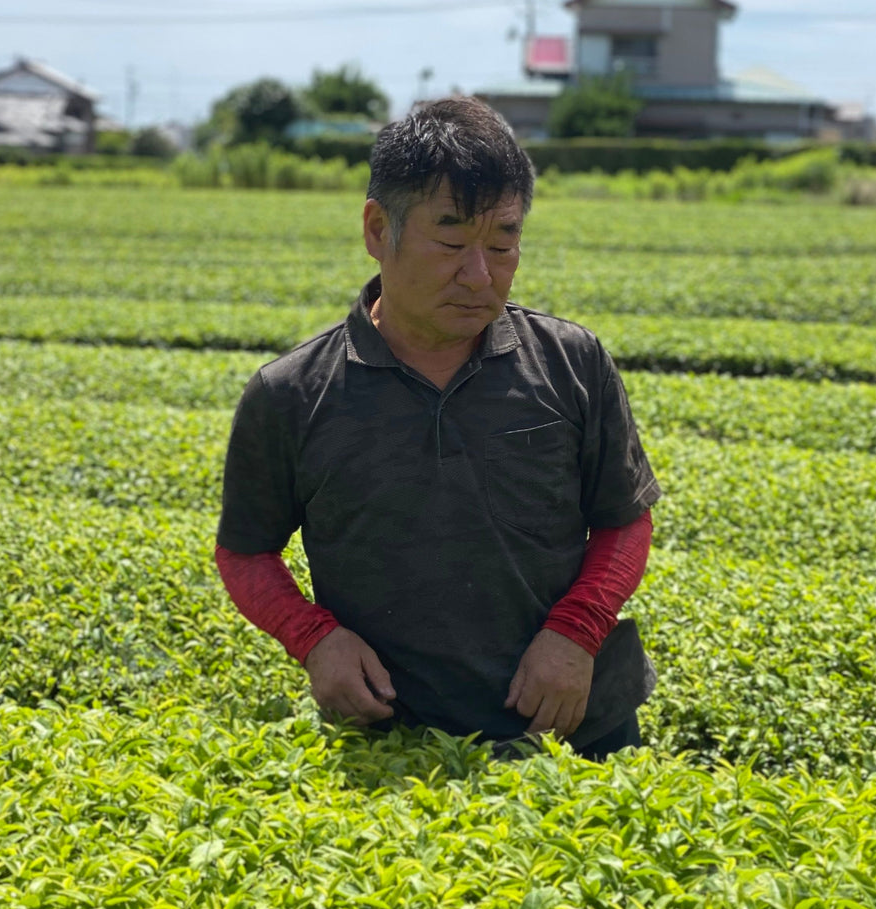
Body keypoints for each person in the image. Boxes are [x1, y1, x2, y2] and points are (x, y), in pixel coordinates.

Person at [215, 97, 660, 760]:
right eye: (451, 241)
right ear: (376, 230)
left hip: (574, 721)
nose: (479, 274)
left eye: (503, 242)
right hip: (396, 743)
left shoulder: (572, 361)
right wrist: (313, 639)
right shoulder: (290, 394)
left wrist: (576, 629)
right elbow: (246, 553)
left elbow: (625, 519)